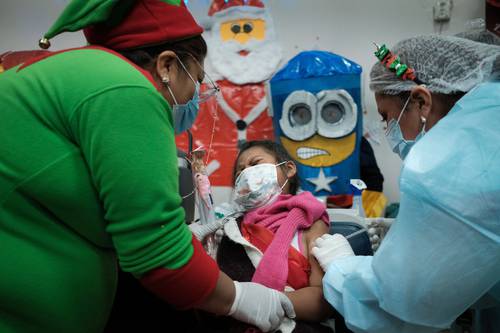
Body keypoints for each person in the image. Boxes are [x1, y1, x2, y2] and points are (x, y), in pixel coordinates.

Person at [0, 1, 295, 332]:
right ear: (167, 65)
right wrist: (240, 298)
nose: (195, 97)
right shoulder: (125, 88)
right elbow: (156, 253)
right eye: (197, 80)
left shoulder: (78, 76)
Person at [311, 34, 500, 333]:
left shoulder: (443, 167)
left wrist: (341, 266)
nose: (388, 131)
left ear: (421, 101)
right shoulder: (490, 113)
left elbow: (396, 311)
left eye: (388, 118)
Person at [193, 140, 341, 332]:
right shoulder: (231, 229)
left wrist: (274, 302)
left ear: (288, 169)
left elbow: (323, 300)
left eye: (255, 164)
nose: (246, 173)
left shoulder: (310, 223)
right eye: (240, 172)